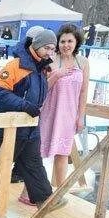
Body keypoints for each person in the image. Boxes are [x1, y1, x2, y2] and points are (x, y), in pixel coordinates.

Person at [0, 28, 61, 209]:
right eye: (46, 48)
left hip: (31, 125)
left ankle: (45, 199)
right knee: (0, 161)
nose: (49, 52)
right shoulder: (15, 65)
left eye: (52, 49)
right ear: (36, 45)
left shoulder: (41, 67)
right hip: (12, 125)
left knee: (33, 163)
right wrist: (24, 105)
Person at [39, 24, 89, 188]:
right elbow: (42, 88)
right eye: (62, 41)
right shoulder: (51, 61)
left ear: (76, 42)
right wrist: (56, 75)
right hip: (50, 112)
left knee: (62, 153)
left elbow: (83, 92)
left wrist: (80, 117)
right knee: (39, 152)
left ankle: (59, 191)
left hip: (69, 114)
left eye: (70, 41)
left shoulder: (83, 62)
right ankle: (31, 191)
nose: (66, 45)